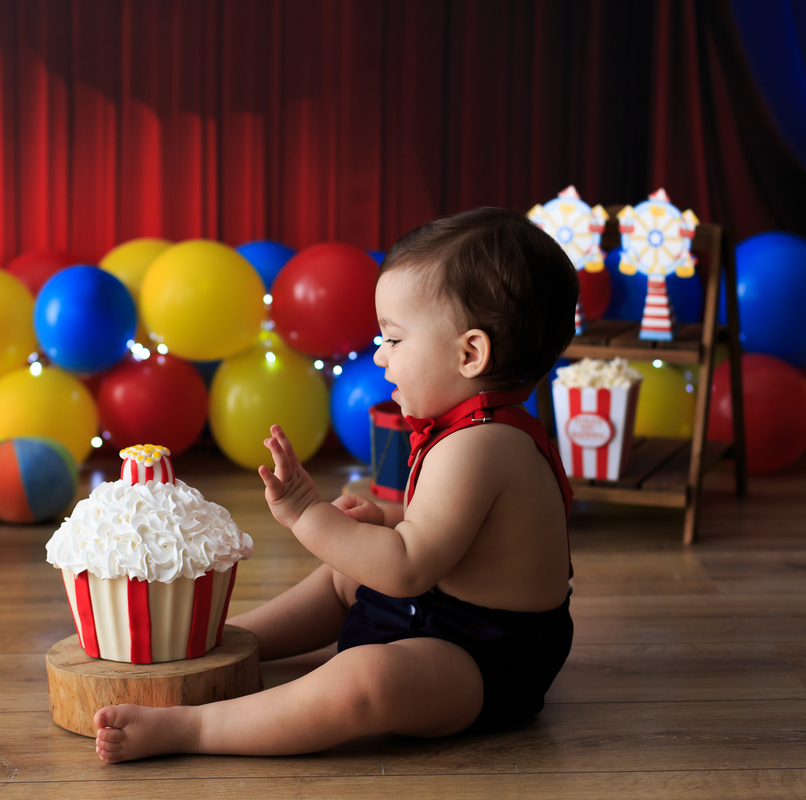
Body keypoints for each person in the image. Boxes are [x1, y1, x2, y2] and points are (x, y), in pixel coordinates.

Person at [92, 207, 580, 763]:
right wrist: (389, 522)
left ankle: (196, 729)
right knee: (344, 577)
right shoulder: (474, 430)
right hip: (438, 608)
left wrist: (308, 514)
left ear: (470, 353)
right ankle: (226, 643)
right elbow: (460, 535)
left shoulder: (481, 444)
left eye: (393, 339)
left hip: (488, 655)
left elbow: (406, 568)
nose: (380, 355)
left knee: (366, 681)